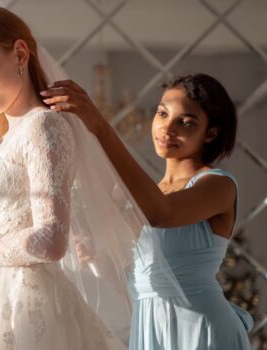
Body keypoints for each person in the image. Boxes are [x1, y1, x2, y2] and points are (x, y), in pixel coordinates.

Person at [0, 6, 179, 349]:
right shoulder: (12, 136)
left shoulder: (43, 125)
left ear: (19, 54)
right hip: (1, 302)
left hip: (29, 309)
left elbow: (50, 240)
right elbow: (9, 243)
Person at [41, 74, 253, 349]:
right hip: (149, 324)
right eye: (162, 113)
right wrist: (95, 257)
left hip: (200, 327)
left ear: (210, 133)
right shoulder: (149, 195)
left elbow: (161, 215)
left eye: (185, 122)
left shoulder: (218, 184)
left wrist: (102, 129)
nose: (167, 128)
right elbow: (140, 274)